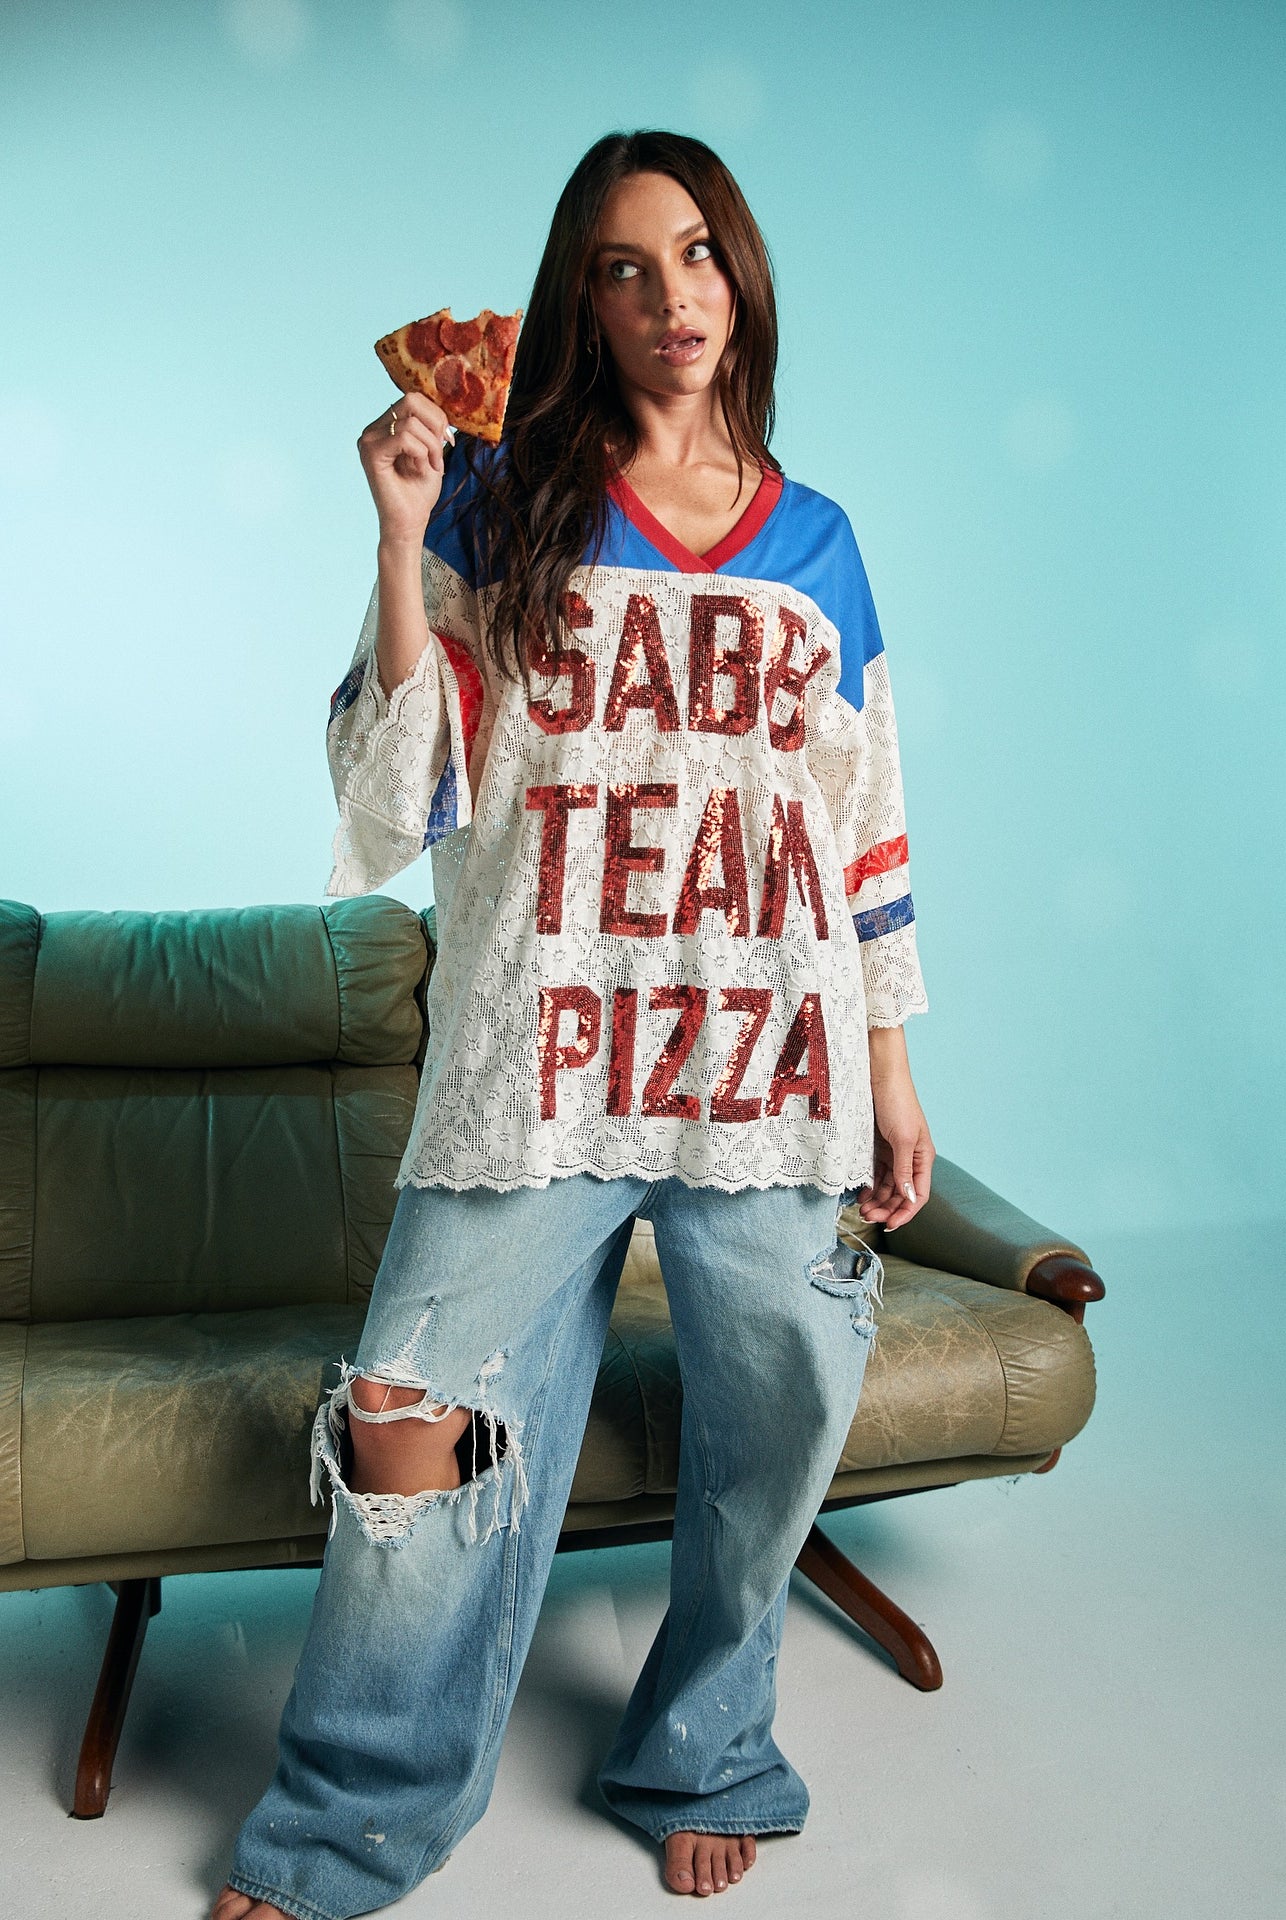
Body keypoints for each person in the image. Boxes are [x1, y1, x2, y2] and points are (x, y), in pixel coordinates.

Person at [213, 127, 933, 1920]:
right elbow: (397, 797)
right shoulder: (496, 495)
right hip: (534, 1065)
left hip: (764, 1077)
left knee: (778, 1417)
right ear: (578, 299)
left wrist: (894, 1070)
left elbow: (861, 828)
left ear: (738, 274)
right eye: (623, 266)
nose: (669, 295)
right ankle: (350, 1823)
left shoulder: (821, 543)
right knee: (404, 1426)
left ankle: (705, 1747)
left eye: (694, 254)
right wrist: (396, 535)